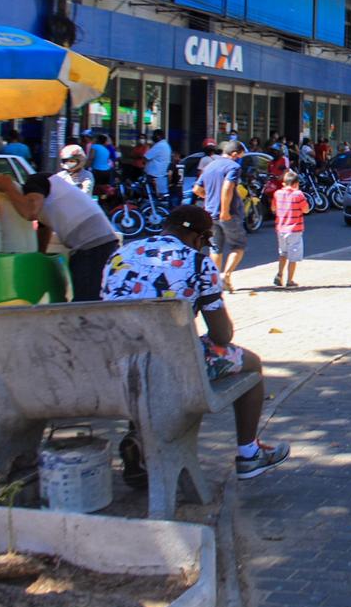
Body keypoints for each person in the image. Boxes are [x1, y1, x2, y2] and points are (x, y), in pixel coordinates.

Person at [101, 206, 290, 482]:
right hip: (171, 366)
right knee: (251, 364)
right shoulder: (198, 263)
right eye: (204, 242)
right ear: (198, 238)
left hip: (116, 364)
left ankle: (140, 441)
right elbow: (222, 336)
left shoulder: (120, 254)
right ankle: (249, 454)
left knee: (141, 353)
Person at [0, 171, 117, 301]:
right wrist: (40, 255)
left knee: (85, 302)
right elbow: (44, 228)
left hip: (93, 245)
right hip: (97, 243)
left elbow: (30, 212)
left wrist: (8, 187)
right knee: (89, 298)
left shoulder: (35, 181)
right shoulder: (45, 199)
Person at [193, 140, 247, 293]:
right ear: (234, 154)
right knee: (238, 246)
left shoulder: (210, 165)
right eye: (239, 156)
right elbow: (227, 187)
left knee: (215, 248)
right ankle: (226, 276)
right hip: (228, 214)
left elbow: (197, 189)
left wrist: (209, 199)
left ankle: (214, 281)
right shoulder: (233, 167)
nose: (239, 159)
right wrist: (224, 210)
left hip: (210, 214)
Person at [270, 170, 309, 288]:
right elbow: (306, 209)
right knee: (293, 256)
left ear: (284, 183)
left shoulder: (277, 193)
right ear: (296, 183)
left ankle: (279, 274)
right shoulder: (298, 194)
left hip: (281, 228)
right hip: (295, 229)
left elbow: (273, 208)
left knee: (283, 253)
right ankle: (290, 280)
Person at [144, 129, 172, 202]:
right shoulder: (166, 145)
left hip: (153, 174)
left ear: (158, 136)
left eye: (154, 135)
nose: (152, 137)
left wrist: (147, 148)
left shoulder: (159, 145)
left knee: (150, 195)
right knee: (158, 195)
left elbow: (146, 157)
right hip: (160, 174)